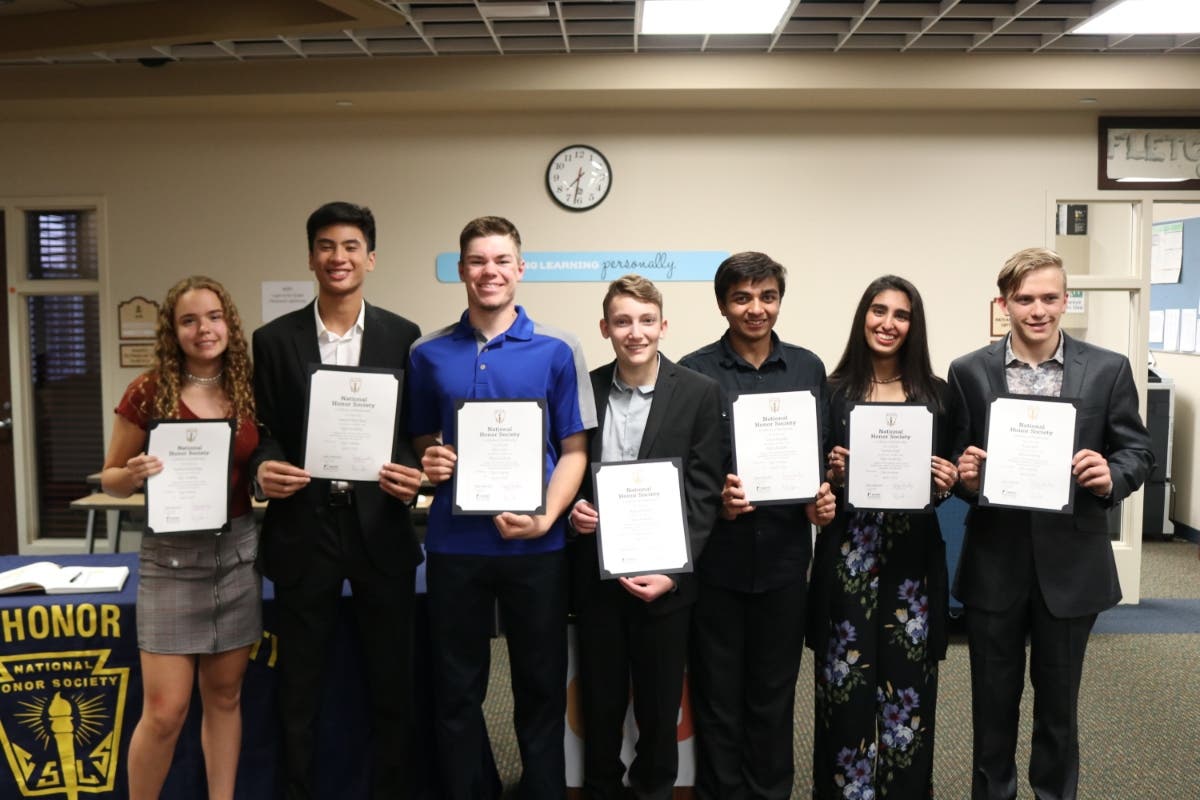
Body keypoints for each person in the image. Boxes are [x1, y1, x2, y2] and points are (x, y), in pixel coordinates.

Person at [949, 247, 1153, 800]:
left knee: (1059, 708)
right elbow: (958, 463)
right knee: (992, 706)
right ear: (1004, 303)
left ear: (1066, 299)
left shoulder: (1108, 368)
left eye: (1049, 297)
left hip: (1072, 565)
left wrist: (1109, 475)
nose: (1038, 310)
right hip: (996, 562)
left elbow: (1136, 452)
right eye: (1024, 299)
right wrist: (966, 478)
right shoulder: (969, 371)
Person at [409, 215, 595, 799]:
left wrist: (546, 517)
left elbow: (574, 450)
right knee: (457, 689)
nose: (489, 271)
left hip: (536, 546)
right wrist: (432, 458)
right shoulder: (427, 352)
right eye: (477, 261)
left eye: (500, 260)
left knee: (538, 686)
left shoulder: (559, 348)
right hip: (453, 546)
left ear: (520, 267)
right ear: (461, 270)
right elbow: (422, 440)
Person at [250, 201, 424, 799]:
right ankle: (299, 790)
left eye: (351, 246)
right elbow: (264, 426)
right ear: (310, 258)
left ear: (370, 258)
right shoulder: (273, 340)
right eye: (326, 246)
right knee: (299, 683)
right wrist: (263, 466)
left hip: (381, 527)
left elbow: (411, 430)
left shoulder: (404, 336)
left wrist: (414, 473)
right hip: (304, 528)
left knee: (391, 682)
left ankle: (391, 790)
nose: (338, 257)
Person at [678, 251, 835, 800]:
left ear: (779, 301)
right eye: (742, 297)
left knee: (773, 695)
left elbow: (819, 458)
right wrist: (717, 501)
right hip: (718, 560)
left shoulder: (808, 368)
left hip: (786, 562)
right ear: (722, 303)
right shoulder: (693, 372)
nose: (756, 308)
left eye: (767, 296)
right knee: (718, 697)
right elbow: (685, 468)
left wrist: (820, 501)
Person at [101, 275, 259, 800]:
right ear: (173, 331)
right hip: (170, 561)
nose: (204, 329)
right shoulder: (148, 390)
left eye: (213, 317)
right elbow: (110, 480)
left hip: (236, 554)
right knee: (166, 712)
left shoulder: (248, 387)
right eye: (189, 320)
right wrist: (133, 474)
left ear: (229, 324)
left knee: (226, 697)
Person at [567, 275, 723, 799]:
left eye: (646, 320)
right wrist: (574, 512)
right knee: (601, 701)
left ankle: (654, 790)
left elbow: (703, 495)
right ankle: (601, 788)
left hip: (665, 579)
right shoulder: (583, 390)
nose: (635, 332)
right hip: (597, 575)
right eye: (623, 321)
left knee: (659, 707)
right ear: (606, 328)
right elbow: (566, 471)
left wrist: (674, 573)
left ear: (663, 324)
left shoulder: (700, 393)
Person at [808, 275, 956, 798]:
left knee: (907, 708)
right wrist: (830, 472)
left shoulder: (937, 395)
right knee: (844, 701)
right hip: (848, 559)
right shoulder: (829, 391)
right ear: (862, 317)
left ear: (913, 326)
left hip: (911, 568)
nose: (888, 323)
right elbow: (813, 484)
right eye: (878, 310)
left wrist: (948, 481)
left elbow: (953, 477)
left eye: (901, 314)